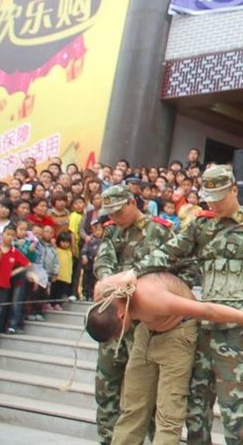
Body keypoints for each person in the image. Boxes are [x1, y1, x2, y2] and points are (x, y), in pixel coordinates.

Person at [133, 164, 243, 445]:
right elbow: (170, 252)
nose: (214, 203)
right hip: (202, 329)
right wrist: (134, 272)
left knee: (237, 416)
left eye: (221, 196)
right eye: (210, 197)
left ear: (235, 190)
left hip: (236, 333)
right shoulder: (201, 226)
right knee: (195, 412)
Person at [86, 270, 243, 445]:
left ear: (121, 315)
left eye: (117, 334)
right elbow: (100, 284)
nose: (118, 339)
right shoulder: (105, 294)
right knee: (132, 407)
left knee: (169, 415)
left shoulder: (151, 298)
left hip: (178, 333)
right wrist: (124, 276)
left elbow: (206, 310)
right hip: (147, 331)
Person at [92, 185, 174, 445]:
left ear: (132, 202)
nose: (115, 217)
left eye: (118, 210)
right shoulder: (112, 231)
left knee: (144, 390)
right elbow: (103, 262)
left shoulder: (159, 230)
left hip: (144, 321)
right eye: (110, 213)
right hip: (115, 318)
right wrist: (109, 282)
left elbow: (171, 269)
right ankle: (108, 438)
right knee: (107, 385)